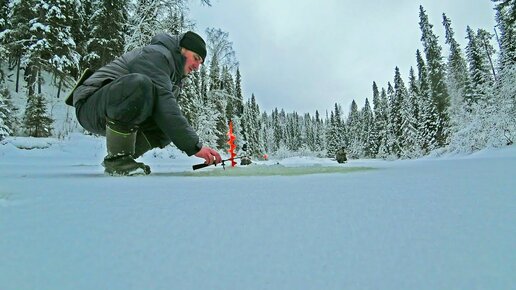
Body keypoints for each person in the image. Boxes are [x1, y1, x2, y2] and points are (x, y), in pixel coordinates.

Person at [68, 31, 222, 175]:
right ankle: (118, 161)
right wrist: (195, 146)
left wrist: (193, 143)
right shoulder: (157, 55)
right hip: (90, 105)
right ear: (182, 49)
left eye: (200, 63)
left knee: (165, 128)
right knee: (140, 85)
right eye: (195, 58)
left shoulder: (173, 77)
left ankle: (121, 156)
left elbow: (167, 114)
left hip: (112, 110)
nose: (197, 67)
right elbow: (165, 105)